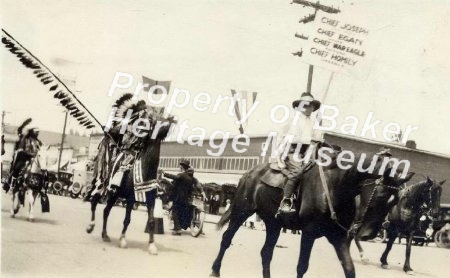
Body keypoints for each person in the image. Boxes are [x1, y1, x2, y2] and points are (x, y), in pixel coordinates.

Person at [277, 92, 323, 213]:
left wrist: (319, 127)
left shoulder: (314, 122)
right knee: (297, 171)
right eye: (305, 105)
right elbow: (280, 137)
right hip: (292, 150)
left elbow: (316, 139)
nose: (308, 107)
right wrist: (279, 156)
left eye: (310, 105)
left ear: (313, 108)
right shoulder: (292, 120)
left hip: (309, 150)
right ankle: (286, 200)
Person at [161, 159, 196, 235]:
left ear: (182, 167)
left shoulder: (181, 175)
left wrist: (164, 173)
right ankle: (176, 227)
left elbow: (174, 177)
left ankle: (178, 229)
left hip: (178, 197)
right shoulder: (190, 178)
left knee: (175, 212)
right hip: (185, 198)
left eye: (180, 166)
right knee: (180, 213)